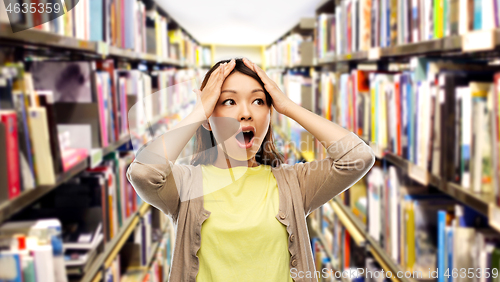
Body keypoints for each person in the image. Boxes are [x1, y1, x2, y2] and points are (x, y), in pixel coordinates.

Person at [126, 57, 376, 282]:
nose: (245, 113)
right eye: (228, 101)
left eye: (258, 101)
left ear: (269, 111)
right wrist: (200, 111)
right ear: (209, 120)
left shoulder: (294, 183)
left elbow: (357, 157)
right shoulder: (185, 184)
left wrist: (288, 106)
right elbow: (143, 172)